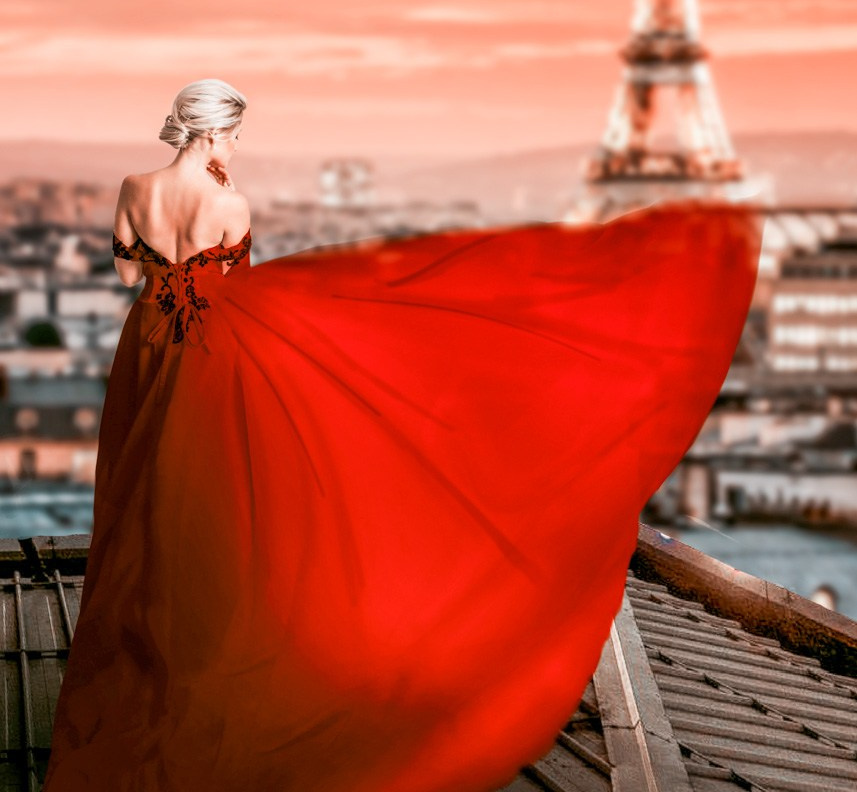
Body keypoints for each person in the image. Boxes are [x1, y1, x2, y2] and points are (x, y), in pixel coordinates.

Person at [42, 77, 763, 792]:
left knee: (145, 499)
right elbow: (235, 277)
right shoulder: (229, 201)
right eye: (232, 133)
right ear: (214, 132)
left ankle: (138, 652)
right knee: (222, 506)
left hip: (145, 343)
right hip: (212, 354)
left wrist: (168, 283)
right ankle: (204, 652)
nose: (235, 144)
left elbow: (127, 266)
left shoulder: (135, 185)